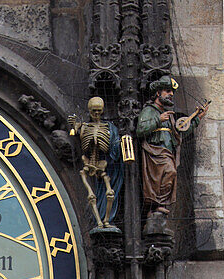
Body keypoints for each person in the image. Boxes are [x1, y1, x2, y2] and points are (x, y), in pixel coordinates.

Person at [137, 75, 209, 233]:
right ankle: (156, 207)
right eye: (167, 91)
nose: (170, 94)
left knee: (170, 174)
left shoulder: (168, 115)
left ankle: (160, 206)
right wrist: (158, 120)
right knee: (166, 175)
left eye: (172, 92)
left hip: (167, 153)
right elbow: (140, 130)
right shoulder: (149, 111)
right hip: (154, 153)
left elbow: (179, 131)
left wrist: (197, 119)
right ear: (158, 93)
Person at [67, 96, 123, 229]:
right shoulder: (84, 127)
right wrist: (74, 126)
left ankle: (107, 219)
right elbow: (74, 135)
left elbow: (115, 145)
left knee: (110, 192)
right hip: (88, 163)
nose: (96, 114)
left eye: (99, 111)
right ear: (89, 111)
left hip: (104, 164)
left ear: (102, 111)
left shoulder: (110, 128)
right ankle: (98, 221)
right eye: (93, 111)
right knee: (93, 194)